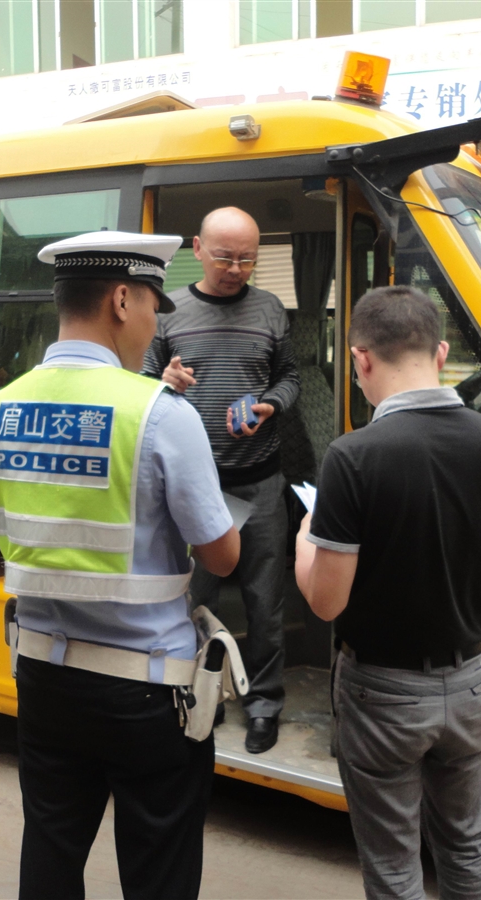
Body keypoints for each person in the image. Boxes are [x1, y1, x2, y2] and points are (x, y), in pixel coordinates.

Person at [0, 230, 240, 900]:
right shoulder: (159, 413)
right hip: (148, 692)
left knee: (51, 849)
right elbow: (222, 555)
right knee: (158, 866)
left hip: (46, 678)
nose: (153, 325)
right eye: (151, 307)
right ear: (120, 299)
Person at [294, 286, 481, 900]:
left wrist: (307, 535)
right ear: (442, 351)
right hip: (475, 681)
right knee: (465, 841)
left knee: (395, 860)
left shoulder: (353, 457)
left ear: (361, 360)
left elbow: (327, 603)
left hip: (383, 693)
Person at [141, 206, 300, 754]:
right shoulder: (169, 312)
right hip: (191, 484)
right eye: (227, 256)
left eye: (248, 257)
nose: (237, 268)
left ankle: (264, 704)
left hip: (261, 481)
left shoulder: (271, 309)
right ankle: (192, 696)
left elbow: (290, 376)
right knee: (191, 598)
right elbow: (139, 386)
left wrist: (270, 406)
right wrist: (165, 381)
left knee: (264, 600)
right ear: (198, 249)